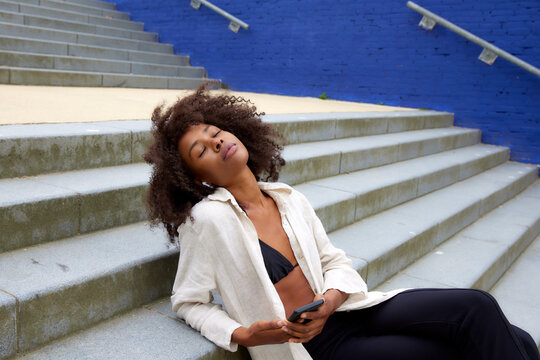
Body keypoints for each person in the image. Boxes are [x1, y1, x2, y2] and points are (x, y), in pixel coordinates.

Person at [143, 86, 539, 360]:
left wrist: (331, 299)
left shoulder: (289, 198)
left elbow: (335, 261)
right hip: (316, 348)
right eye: (202, 150)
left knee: (482, 311)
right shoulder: (208, 219)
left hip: (348, 311)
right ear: (199, 179)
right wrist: (242, 334)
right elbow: (188, 302)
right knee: (476, 349)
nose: (215, 142)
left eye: (216, 132)